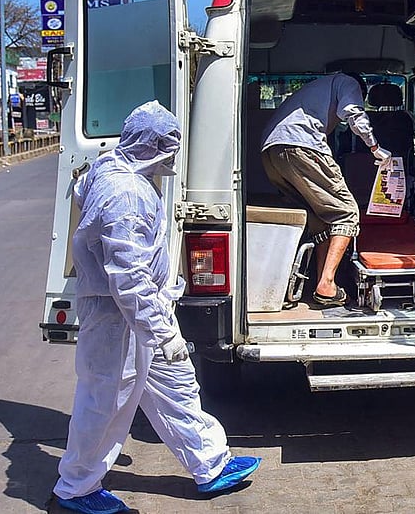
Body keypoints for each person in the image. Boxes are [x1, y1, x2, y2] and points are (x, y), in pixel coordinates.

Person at [53, 101, 261, 514]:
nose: (173, 158)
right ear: (154, 146)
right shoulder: (124, 195)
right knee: (105, 399)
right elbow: (127, 277)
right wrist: (162, 333)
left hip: (144, 312)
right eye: (170, 148)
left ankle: (210, 463)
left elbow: (81, 196)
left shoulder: (112, 165)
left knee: (176, 387)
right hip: (118, 315)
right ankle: (75, 488)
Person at [261, 72, 391, 307]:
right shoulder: (348, 82)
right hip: (302, 146)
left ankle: (322, 286)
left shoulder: (316, 90)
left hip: (272, 153)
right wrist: (374, 147)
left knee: (320, 218)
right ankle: (327, 283)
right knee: (347, 212)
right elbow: (353, 113)